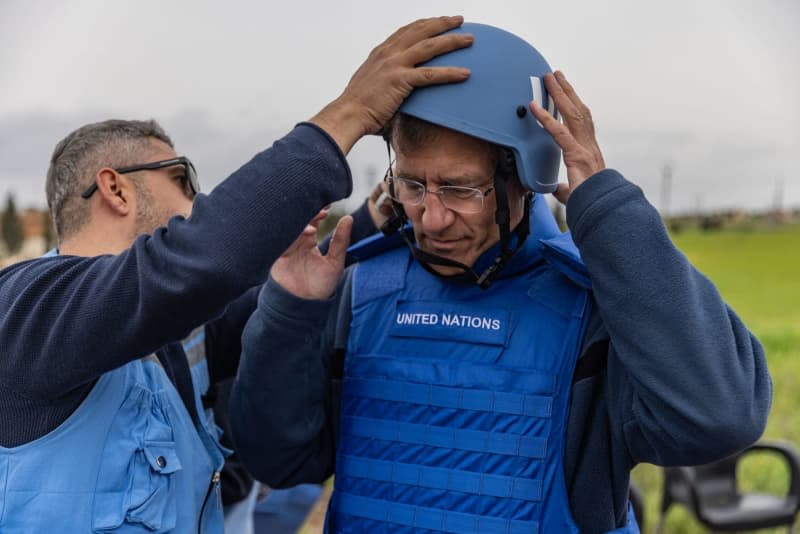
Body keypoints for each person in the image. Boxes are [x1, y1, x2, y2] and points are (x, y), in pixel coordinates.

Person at [229, 23, 772, 533]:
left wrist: (608, 213)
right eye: (412, 185)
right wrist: (290, 313)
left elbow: (719, 418)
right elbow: (280, 461)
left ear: (526, 180)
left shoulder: (591, 304)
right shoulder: (360, 286)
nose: (432, 218)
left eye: (461, 189)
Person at [0, 16, 474, 533]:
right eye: (182, 177)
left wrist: (397, 198)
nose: (198, 199)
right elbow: (207, 259)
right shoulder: (29, 307)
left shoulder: (175, 333)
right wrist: (351, 115)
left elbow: (265, 288)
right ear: (115, 190)